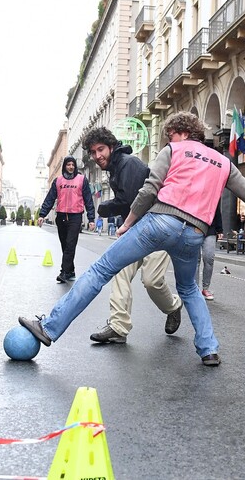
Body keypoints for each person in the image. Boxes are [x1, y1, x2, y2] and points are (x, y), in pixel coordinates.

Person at [19, 112, 245, 366]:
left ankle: (49, 328)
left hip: (158, 223)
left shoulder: (174, 149)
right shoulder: (223, 162)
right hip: (194, 233)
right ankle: (209, 348)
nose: (168, 138)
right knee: (189, 289)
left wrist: (128, 223)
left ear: (181, 133)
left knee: (101, 270)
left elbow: (149, 191)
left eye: (170, 134)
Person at [81, 127, 183, 344]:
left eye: (101, 149)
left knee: (152, 281)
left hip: (157, 227)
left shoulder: (129, 164)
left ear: (111, 146)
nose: (97, 156)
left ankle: (173, 306)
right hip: (134, 230)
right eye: (93, 152)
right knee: (119, 272)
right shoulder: (116, 168)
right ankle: (118, 326)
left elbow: (132, 200)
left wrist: (105, 208)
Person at [38, 156, 96, 283]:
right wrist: (42, 215)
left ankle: (64, 272)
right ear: (65, 166)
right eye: (68, 164)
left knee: (70, 244)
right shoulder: (58, 181)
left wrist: (91, 218)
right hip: (61, 216)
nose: (71, 167)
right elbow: (50, 199)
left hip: (75, 217)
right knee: (65, 245)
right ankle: (70, 270)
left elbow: (88, 200)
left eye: (73, 165)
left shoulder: (82, 180)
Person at [197, 206, 223, 300]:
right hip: (194, 227)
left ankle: (205, 288)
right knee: (195, 260)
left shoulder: (213, 191)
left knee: (209, 258)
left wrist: (220, 229)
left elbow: (217, 209)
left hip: (210, 229)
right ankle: (194, 289)